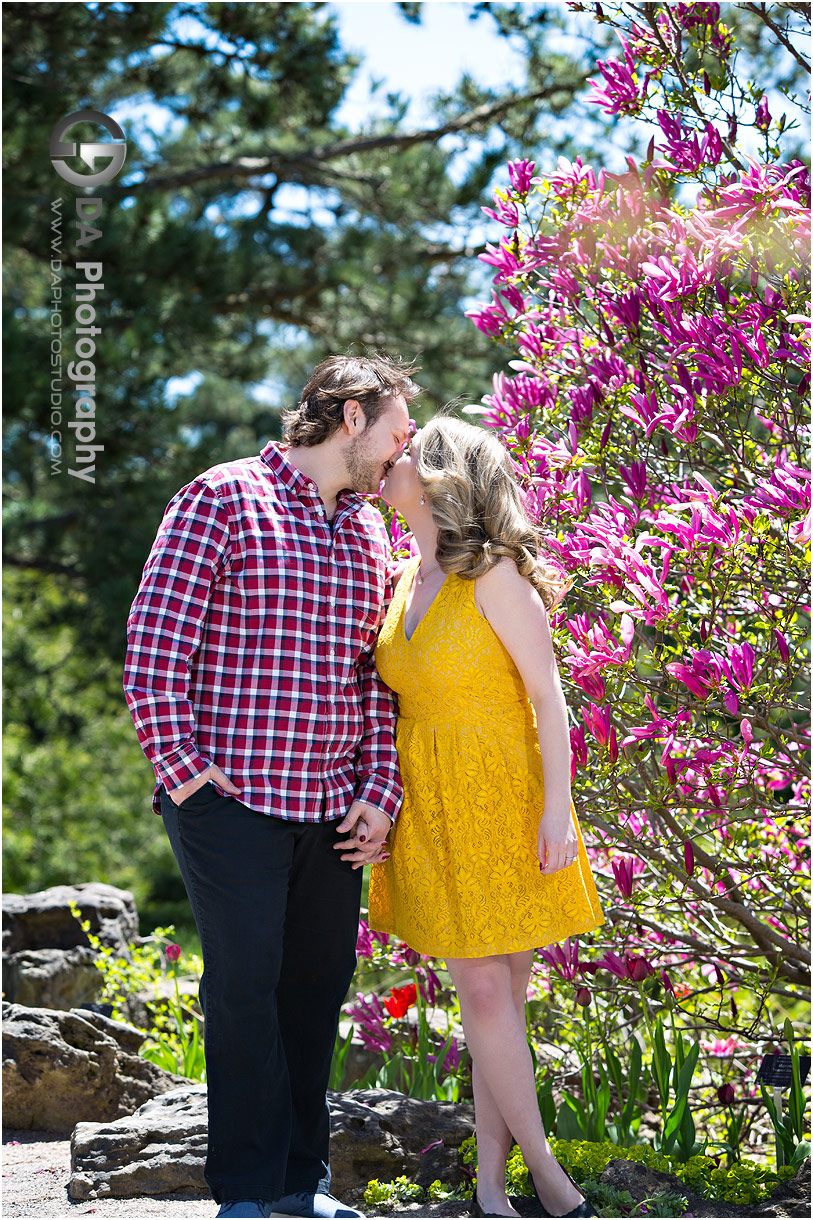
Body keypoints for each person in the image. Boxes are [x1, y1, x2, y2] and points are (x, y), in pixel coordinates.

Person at [123, 354, 419, 1220]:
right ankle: (246, 1193)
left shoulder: (369, 532)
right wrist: (188, 783)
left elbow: (372, 678)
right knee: (244, 991)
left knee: (314, 991)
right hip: (229, 804)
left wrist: (379, 791)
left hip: (333, 810)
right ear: (351, 417)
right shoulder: (219, 497)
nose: (405, 443)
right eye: (397, 424)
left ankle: (300, 1183)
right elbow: (152, 655)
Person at [366, 417, 605, 1219]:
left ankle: (547, 1179)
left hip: (503, 793)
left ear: (437, 476)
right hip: (428, 799)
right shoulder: (405, 577)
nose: (384, 466)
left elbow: (549, 699)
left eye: (401, 457)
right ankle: (492, 1191)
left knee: (485, 987)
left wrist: (557, 814)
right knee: (490, 994)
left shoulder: (494, 572)